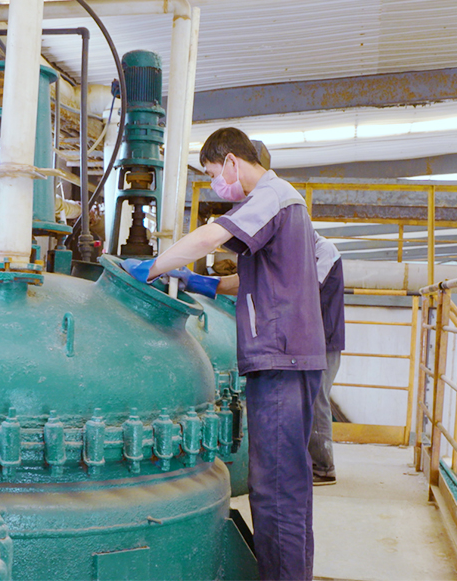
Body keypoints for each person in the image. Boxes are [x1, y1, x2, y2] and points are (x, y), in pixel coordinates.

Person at [122, 127, 326, 581]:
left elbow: (209, 237)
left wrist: (154, 267)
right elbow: (259, 278)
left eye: (215, 173)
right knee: (289, 487)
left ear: (232, 161)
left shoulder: (271, 196)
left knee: (275, 489)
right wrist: (205, 283)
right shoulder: (284, 203)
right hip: (290, 357)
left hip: (280, 358)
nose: (217, 184)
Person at [309, 232, 346, 486]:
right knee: (313, 398)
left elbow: (309, 287)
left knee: (317, 399)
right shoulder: (310, 249)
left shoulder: (325, 250)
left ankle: (323, 468)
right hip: (314, 338)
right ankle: (313, 463)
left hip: (325, 339)